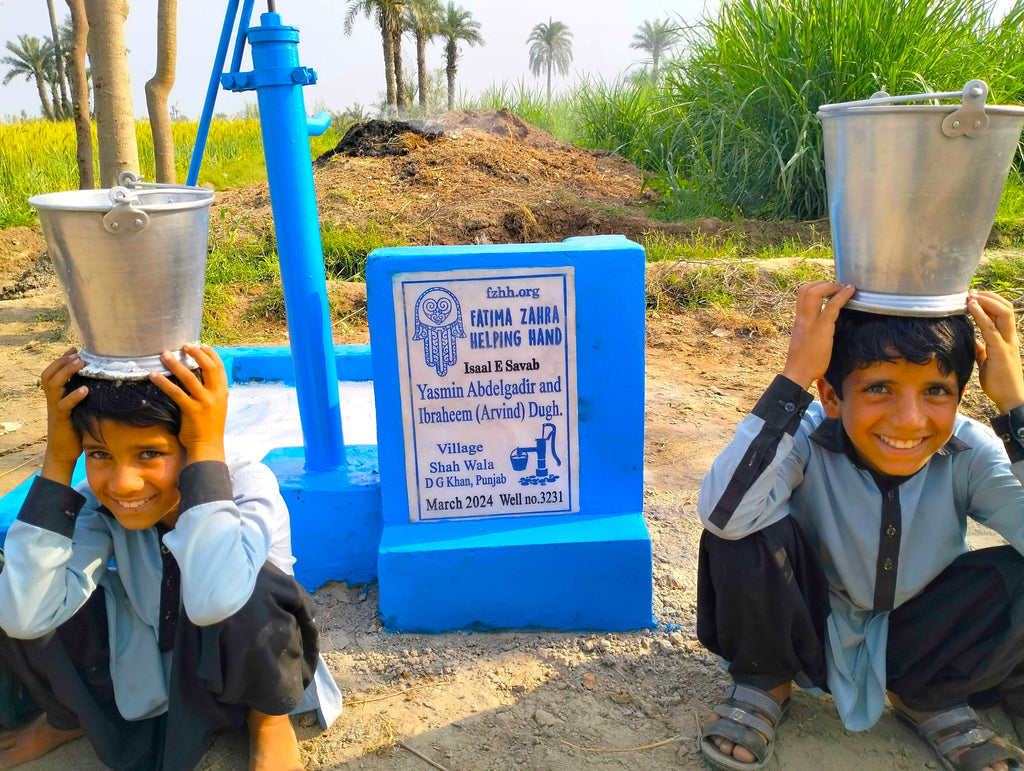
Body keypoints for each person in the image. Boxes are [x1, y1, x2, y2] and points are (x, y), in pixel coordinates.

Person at [696, 281, 1024, 771]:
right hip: (805, 628)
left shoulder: (969, 450)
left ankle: (928, 695)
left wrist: (1015, 411)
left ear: (960, 397)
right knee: (742, 518)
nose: (909, 420)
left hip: (919, 640)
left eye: (936, 391)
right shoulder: (804, 433)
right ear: (830, 395)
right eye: (878, 388)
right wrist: (794, 377)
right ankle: (766, 681)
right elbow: (722, 512)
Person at [0, 342, 341, 771]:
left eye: (149, 454)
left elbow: (219, 600)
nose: (124, 484)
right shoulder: (96, 504)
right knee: (31, 569)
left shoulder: (246, 487)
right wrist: (58, 460)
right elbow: (24, 614)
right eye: (100, 454)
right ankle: (68, 717)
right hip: (150, 665)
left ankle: (269, 723)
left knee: (253, 586)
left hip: (239, 666)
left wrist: (204, 453)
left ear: (192, 441)